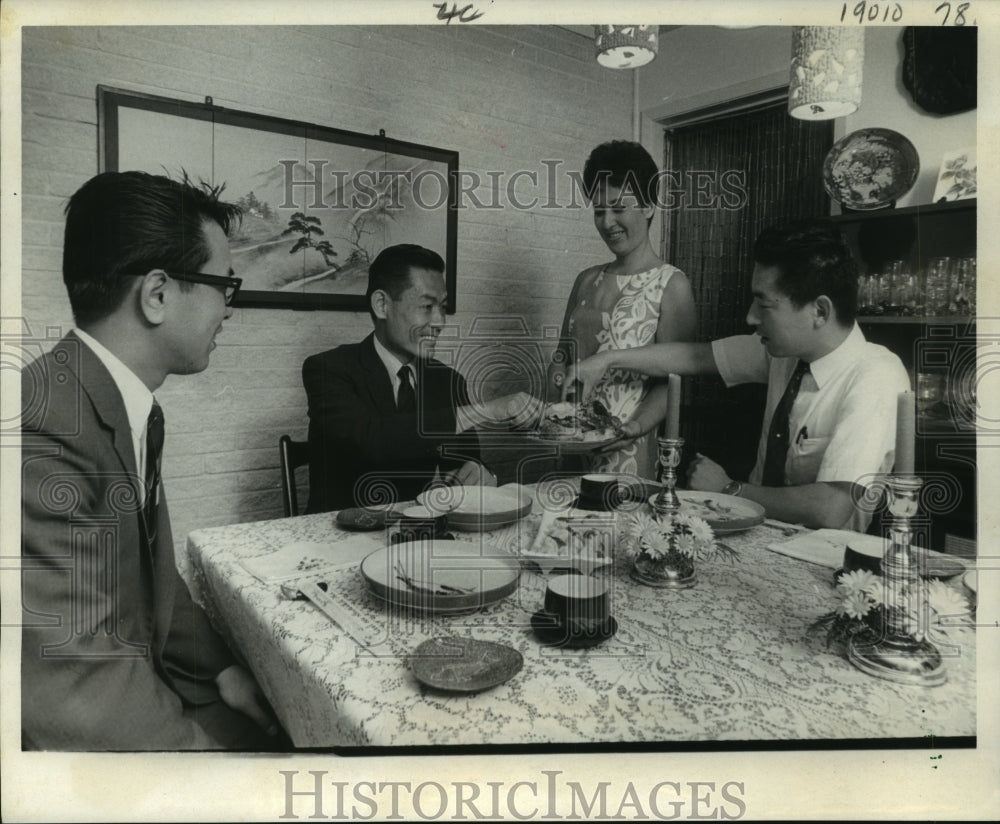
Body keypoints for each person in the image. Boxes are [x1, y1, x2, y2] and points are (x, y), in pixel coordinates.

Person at [21, 171, 283, 750]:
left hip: (144, 689)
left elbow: (152, 579)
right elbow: (76, 692)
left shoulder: (121, 402)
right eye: (224, 285)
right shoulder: (40, 428)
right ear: (157, 295)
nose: (228, 310)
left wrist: (221, 667)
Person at [565, 220, 910, 531]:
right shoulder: (785, 353)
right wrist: (606, 360)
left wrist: (729, 489)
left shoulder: (875, 375)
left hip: (819, 563)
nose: (750, 317)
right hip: (757, 538)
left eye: (764, 304)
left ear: (819, 311)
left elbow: (830, 508)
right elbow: (694, 356)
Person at [303, 244, 539, 513]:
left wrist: (481, 473)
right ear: (382, 305)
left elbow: (467, 462)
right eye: (426, 306)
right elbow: (373, 439)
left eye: (443, 307)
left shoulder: (448, 381)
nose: (440, 322)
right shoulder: (327, 370)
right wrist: (488, 410)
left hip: (415, 530)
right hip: (338, 531)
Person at [548, 140, 696, 478]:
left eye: (618, 208)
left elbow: (673, 382)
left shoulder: (671, 284)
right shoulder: (585, 279)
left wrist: (635, 427)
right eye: (599, 211)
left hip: (628, 449)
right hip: (572, 444)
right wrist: (555, 413)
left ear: (648, 206)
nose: (607, 222)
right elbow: (561, 356)